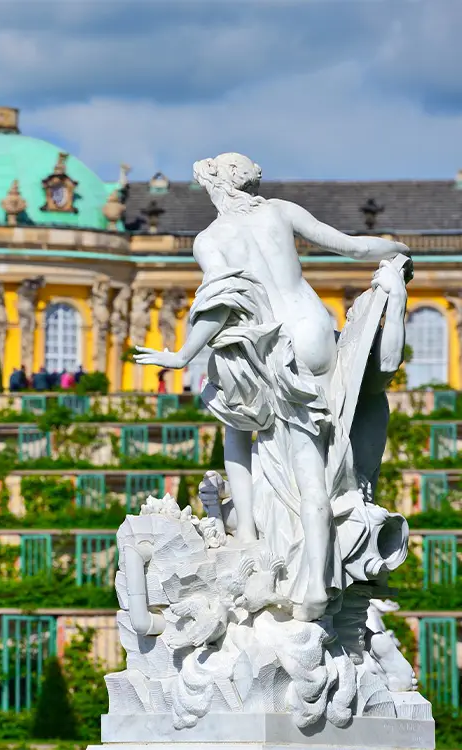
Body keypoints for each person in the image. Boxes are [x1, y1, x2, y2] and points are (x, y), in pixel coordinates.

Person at [133, 152, 408, 622]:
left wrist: (182, 355)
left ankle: (264, 549)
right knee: (321, 455)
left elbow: (219, 303)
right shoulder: (280, 210)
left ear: (213, 187)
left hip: (277, 343)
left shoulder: (210, 239)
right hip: (315, 329)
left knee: (238, 419)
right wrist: (398, 251)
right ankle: (318, 577)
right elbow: (353, 247)